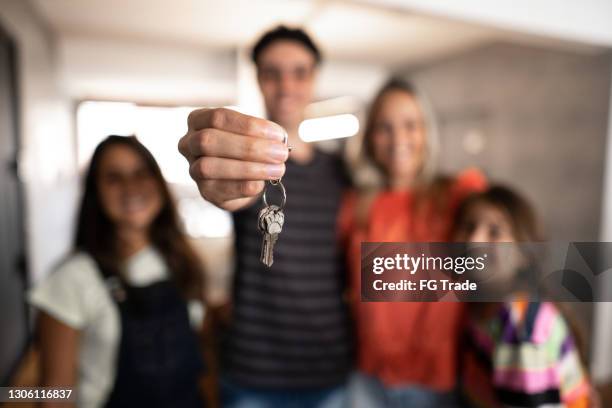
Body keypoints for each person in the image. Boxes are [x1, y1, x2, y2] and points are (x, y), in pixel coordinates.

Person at [179, 26, 351, 407]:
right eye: (272, 72)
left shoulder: (341, 172)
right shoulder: (246, 166)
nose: (286, 84)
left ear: (314, 79)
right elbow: (230, 197)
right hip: (251, 370)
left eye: (299, 72)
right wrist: (217, 180)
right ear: (258, 78)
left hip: (328, 364)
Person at [337, 78, 486, 407]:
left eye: (410, 125)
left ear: (426, 132)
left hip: (434, 382)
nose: (398, 139)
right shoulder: (355, 205)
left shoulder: (458, 195)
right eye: (384, 127)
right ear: (370, 138)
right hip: (367, 377)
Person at [29, 136, 206, 407]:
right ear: (95, 192)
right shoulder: (72, 279)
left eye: (140, 173)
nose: (130, 187)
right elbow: (55, 393)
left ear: (158, 182)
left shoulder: (182, 262)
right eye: (114, 178)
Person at [452, 185, 595, 408]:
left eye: (495, 232)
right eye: (468, 226)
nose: (473, 240)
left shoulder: (522, 328)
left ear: (523, 254)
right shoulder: (476, 305)